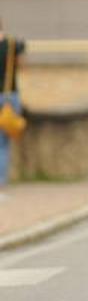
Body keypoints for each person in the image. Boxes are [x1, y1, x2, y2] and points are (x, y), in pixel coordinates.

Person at [0, 19, 26, 188]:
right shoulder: (12, 44)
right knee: (3, 143)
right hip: (9, 96)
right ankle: (1, 180)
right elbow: (22, 66)